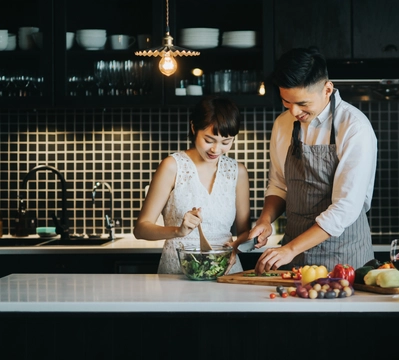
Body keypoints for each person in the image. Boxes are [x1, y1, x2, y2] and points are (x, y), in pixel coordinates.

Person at [249, 47, 377, 273]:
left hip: (344, 258)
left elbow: (345, 207)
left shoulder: (354, 128)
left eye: (302, 103)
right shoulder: (283, 124)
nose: (294, 112)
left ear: (327, 89)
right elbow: (279, 184)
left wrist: (290, 249)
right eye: (286, 102)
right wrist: (265, 221)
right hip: (293, 256)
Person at [135, 95, 251, 274]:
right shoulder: (172, 166)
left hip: (225, 271)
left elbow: (244, 232)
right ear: (193, 128)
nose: (216, 149)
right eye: (209, 140)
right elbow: (141, 229)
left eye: (226, 142)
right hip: (178, 271)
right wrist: (178, 231)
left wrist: (234, 248)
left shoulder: (238, 172)